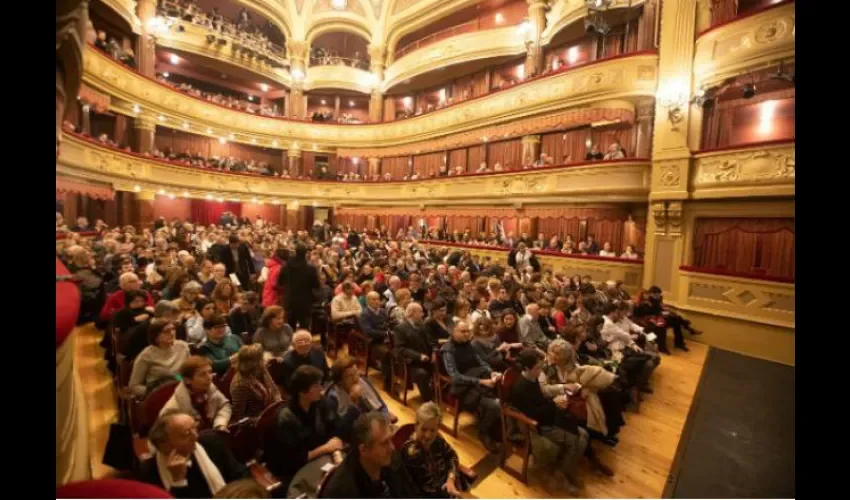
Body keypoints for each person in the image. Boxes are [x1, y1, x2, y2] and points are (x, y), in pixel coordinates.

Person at [509, 349, 612, 494]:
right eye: (538, 367)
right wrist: (554, 403)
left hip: (548, 417)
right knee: (575, 439)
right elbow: (534, 415)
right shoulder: (521, 388)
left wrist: (555, 403)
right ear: (526, 368)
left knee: (583, 434)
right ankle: (564, 475)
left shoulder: (533, 379)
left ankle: (565, 470)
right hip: (538, 425)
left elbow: (541, 402)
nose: (541, 370)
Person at [265, 365, 342, 497]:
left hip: (318, 459)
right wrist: (326, 448)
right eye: (316, 386)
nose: (321, 390)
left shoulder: (319, 403)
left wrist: (336, 454)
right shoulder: (285, 418)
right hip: (290, 470)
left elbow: (333, 430)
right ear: (302, 392)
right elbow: (292, 460)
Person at [136, 409, 248, 498]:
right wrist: (178, 481)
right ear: (165, 444)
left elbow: (239, 474)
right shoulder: (149, 472)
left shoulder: (211, 443)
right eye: (186, 434)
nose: (196, 436)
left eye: (195, 428)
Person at [539, 339, 623, 443]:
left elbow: (581, 376)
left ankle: (604, 432)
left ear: (565, 356)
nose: (552, 355)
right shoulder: (544, 367)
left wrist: (585, 388)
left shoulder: (571, 364)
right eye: (551, 351)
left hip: (574, 393)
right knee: (584, 408)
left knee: (606, 395)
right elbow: (544, 390)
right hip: (558, 398)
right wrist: (563, 387)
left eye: (557, 353)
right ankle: (595, 437)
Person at [318, 412, 419, 498]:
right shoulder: (343, 491)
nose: (392, 447)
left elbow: (411, 493)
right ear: (363, 450)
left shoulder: (391, 458)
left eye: (390, 439)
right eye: (384, 443)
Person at [440, 320, 502, 453]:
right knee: (496, 405)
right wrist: (480, 382)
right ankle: (483, 432)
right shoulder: (448, 350)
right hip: (464, 388)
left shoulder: (469, 344)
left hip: (478, 380)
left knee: (503, 393)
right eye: (463, 331)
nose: (467, 334)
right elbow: (455, 376)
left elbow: (480, 362)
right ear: (453, 332)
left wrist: (492, 372)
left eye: (468, 331)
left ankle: (497, 429)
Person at [400, 402, 467, 498]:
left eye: (433, 430)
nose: (428, 435)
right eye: (423, 429)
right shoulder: (411, 453)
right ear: (416, 426)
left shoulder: (437, 439)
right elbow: (427, 489)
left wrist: (451, 479)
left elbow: (452, 455)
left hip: (448, 488)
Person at [326, 357, 392, 441]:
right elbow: (340, 433)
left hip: (375, 426)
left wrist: (385, 422)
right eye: (350, 376)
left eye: (356, 372)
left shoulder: (363, 381)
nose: (356, 378)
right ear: (340, 382)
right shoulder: (333, 399)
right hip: (355, 437)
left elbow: (382, 406)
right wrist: (354, 403)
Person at [161, 356, 232, 432]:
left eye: (210, 372)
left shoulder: (209, 387)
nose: (209, 377)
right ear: (187, 380)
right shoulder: (173, 408)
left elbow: (224, 405)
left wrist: (220, 424)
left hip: (211, 432)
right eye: (202, 375)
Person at [128, 320, 191, 397]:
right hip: (158, 393)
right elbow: (134, 386)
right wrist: (156, 392)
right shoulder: (146, 355)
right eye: (166, 331)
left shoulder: (182, 346)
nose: (172, 333)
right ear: (156, 337)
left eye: (173, 329)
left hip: (180, 388)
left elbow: (188, 372)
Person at [393, 302, 435, 402]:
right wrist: (419, 356)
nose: (423, 314)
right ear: (412, 313)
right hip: (411, 363)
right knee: (422, 374)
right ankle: (429, 402)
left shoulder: (421, 325)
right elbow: (401, 349)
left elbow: (431, 341)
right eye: (420, 311)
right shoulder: (400, 328)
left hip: (427, 359)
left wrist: (433, 352)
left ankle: (440, 395)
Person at [229, 344, 282, 422]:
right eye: (260, 359)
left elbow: (273, 388)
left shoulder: (261, 368)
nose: (263, 360)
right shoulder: (240, 384)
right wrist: (262, 419)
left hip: (270, 410)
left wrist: (279, 403)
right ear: (251, 364)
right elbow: (239, 417)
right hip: (255, 420)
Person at [278, 244, 320, 329]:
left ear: (295, 252)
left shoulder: (286, 266)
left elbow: (280, 282)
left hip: (290, 301)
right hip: (305, 302)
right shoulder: (310, 268)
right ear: (306, 253)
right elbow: (316, 285)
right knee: (304, 328)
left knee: (290, 328)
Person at [358, 291, 392, 389]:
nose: (377, 301)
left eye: (378, 299)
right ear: (368, 301)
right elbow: (368, 332)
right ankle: (387, 383)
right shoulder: (365, 314)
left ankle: (397, 376)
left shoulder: (383, 311)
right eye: (374, 299)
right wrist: (385, 334)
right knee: (386, 353)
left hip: (387, 339)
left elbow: (388, 324)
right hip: (374, 341)